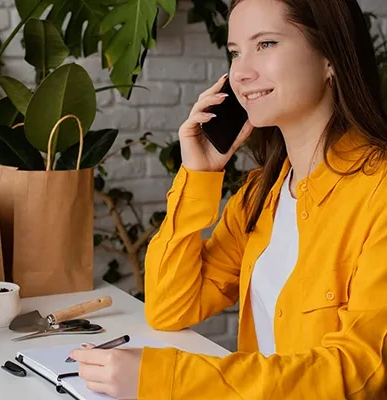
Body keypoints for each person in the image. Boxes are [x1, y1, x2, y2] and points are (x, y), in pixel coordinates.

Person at [69, 0, 387, 398]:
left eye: (266, 44)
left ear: (331, 58)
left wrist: (168, 379)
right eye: (235, 52)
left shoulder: (378, 192)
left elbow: (362, 371)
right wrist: (200, 176)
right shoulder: (261, 194)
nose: (241, 72)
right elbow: (170, 307)